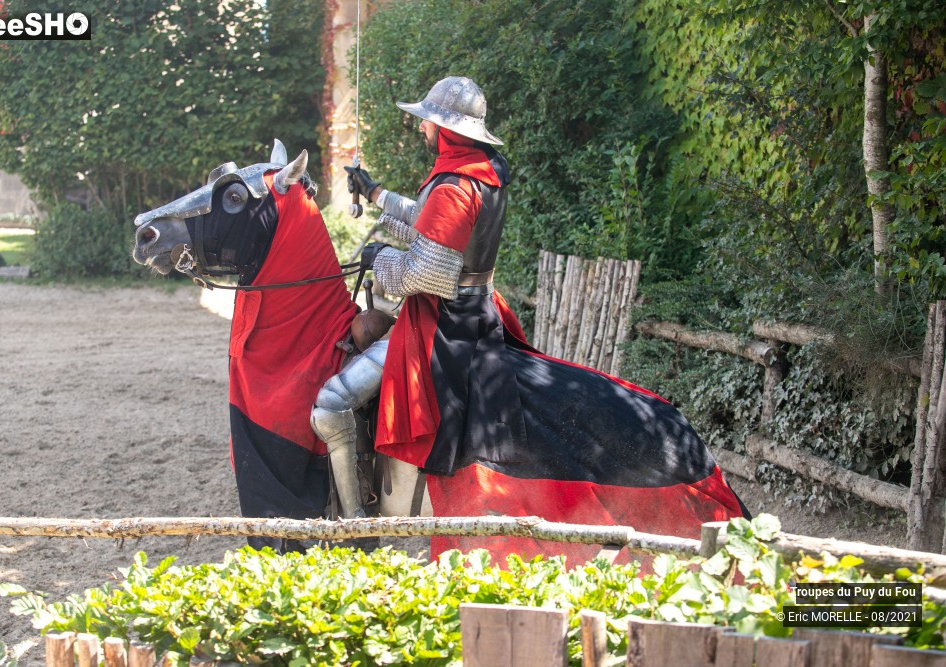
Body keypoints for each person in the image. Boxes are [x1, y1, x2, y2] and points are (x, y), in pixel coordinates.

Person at [312, 76, 747, 565]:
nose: (422, 132)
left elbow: (427, 273)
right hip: (477, 312)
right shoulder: (480, 173)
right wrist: (375, 194)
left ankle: (353, 533)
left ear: (444, 129)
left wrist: (381, 258)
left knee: (331, 404)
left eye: (426, 124)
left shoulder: (455, 185)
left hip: (445, 327)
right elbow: (428, 218)